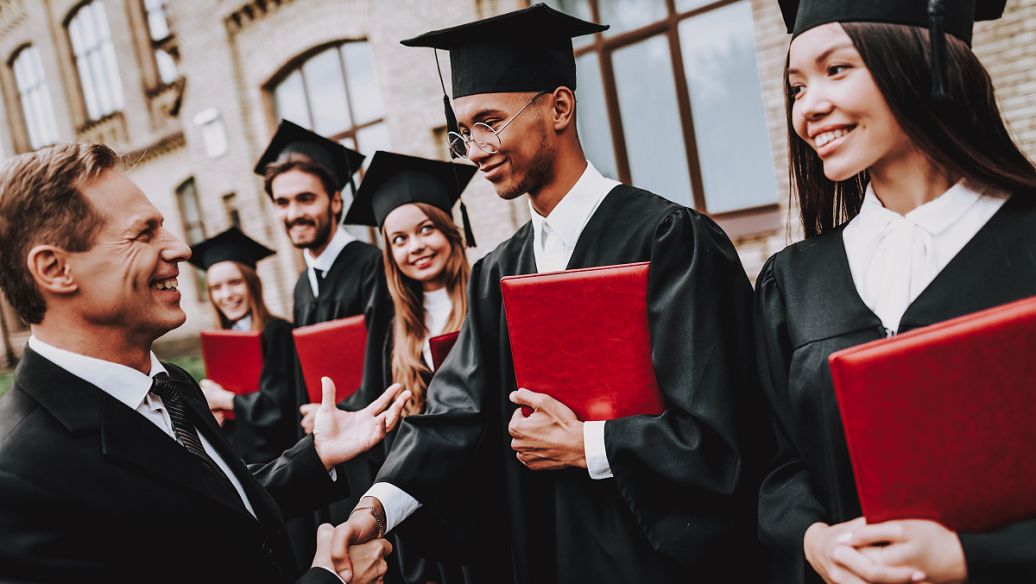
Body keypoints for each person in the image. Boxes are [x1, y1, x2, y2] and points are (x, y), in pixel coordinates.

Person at [331, 5, 765, 583]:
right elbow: (453, 416)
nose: (476, 149)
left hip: (658, 562)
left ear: (559, 106)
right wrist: (376, 508)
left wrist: (590, 444)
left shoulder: (669, 241)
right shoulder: (499, 273)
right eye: (463, 133)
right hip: (545, 553)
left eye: (489, 122)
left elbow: (725, 431)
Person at [0, 143, 408, 583]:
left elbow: (210, 510)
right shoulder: (20, 481)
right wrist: (333, 580)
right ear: (55, 269)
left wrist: (315, 456)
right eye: (144, 233)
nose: (180, 249)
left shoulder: (170, 384)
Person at [756, 1, 1036, 582]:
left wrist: (967, 559)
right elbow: (779, 466)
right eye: (796, 87)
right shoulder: (794, 282)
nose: (809, 107)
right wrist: (816, 541)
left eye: (836, 70)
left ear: (924, 60)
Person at [302, 151, 479, 584]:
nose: (415, 246)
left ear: (451, 232)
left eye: (426, 229)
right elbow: (377, 403)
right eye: (398, 239)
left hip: (482, 492)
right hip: (422, 501)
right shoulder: (394, 328)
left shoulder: (485, 303)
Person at [256, 120, 393, 566]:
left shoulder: (372, 266)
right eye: (282, 202)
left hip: (372, 458)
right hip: (325, 460)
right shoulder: (301, 286)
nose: (293, 212)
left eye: (305, 198)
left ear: (335, 200)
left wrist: (344, 410)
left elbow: (389, 365)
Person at [186, 227, 298, 464]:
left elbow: (281, 407)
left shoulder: (278, 332)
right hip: (241, 461)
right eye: (216, 287)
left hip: (280, 459)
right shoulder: (220, 341)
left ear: (252, 284)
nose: (226, 294)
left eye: (234, 282)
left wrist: (224, 399)